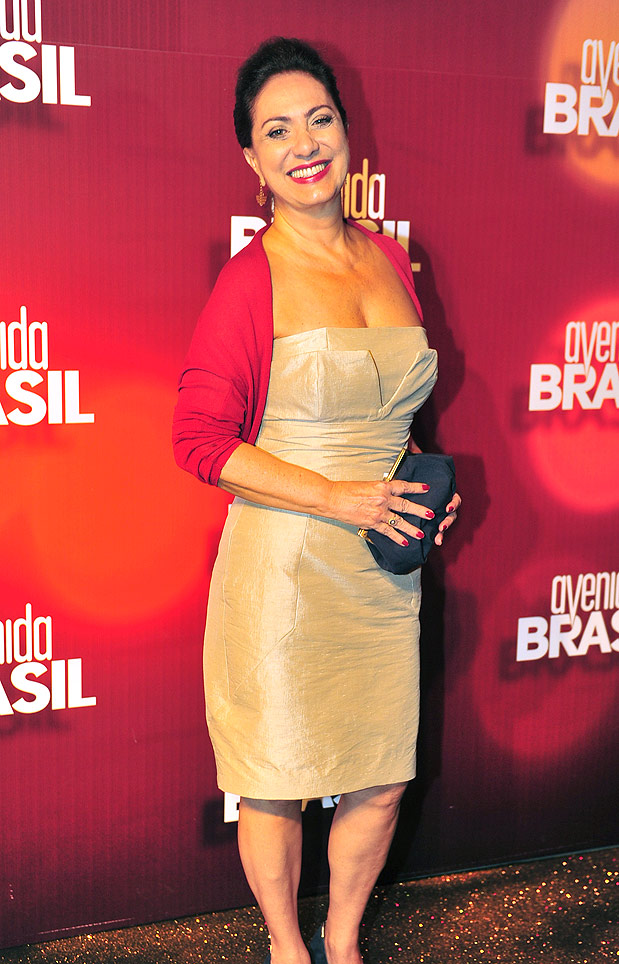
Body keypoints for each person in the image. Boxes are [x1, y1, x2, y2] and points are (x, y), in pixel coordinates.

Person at [173, 36, 460, 964]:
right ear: (251, 159)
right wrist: (341, 498)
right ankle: (286, 949)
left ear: (346, 131)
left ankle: (342, 945)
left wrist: (418, 490)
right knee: (275, 780)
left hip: (380, 570)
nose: (304, 144)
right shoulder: (248, 279)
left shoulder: (391, 258)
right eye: (276, 130)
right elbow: (199, 442)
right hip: (286, 571)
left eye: (319, 119)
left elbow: (388, 414)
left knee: (380, 777)